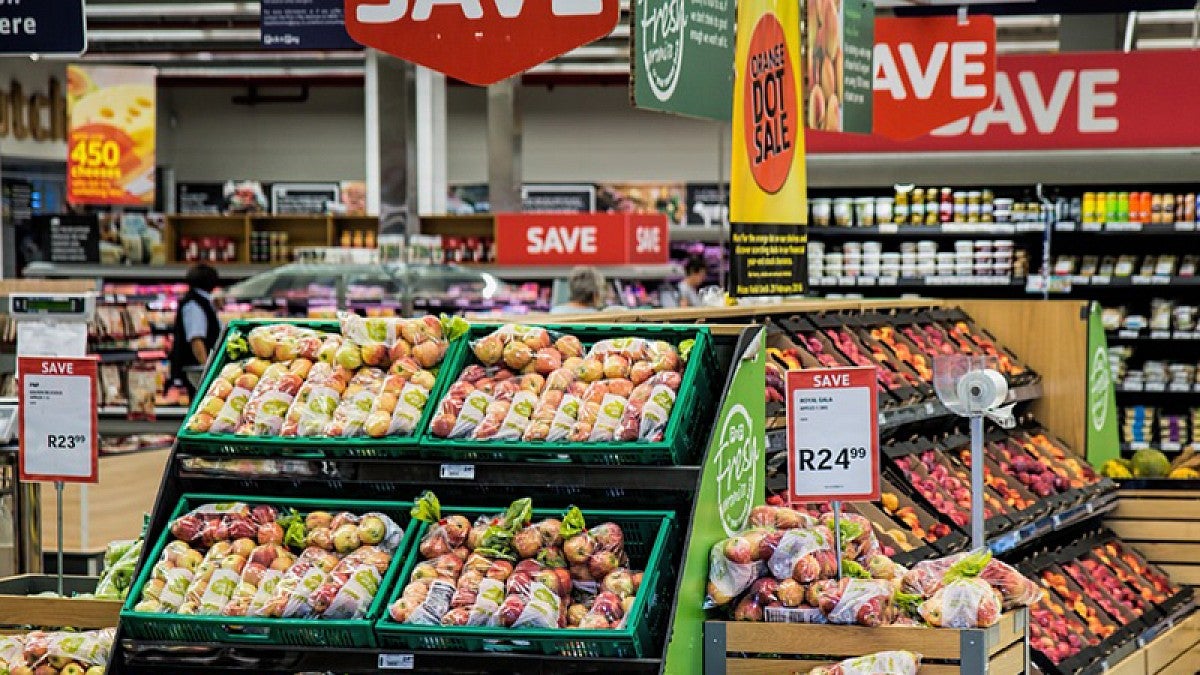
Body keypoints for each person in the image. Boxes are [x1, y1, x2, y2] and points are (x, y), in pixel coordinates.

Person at [170, 263, 221, 396]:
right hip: (195, 372)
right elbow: (196, 340)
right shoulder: (194, 304)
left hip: (196, 370)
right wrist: (207, 369)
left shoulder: (201, 301)